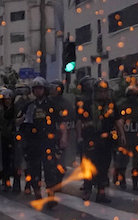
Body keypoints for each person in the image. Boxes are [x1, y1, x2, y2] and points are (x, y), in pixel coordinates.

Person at [17, 76, 67, 206]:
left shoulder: (52, 105)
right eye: (35, 89)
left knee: (50, 169)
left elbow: (61, 123)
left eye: (40, 88)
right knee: (34, 169)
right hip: (33, 143)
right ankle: (37, 192)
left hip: (48, 142)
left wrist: (63, 137)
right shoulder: (29, 106)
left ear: (44, 89)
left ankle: (51, 195)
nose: (38, 91)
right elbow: (18, 123)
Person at [77, 78, 124, 202]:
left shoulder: (111, 104)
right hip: (90, 139)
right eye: (100, 91)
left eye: (105, 91)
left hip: (107, 140)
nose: (103, 94)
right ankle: (87, 190)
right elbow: (80, 121)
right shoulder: (87, 104)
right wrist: (80, 137)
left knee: (104, 166)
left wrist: (122, 135)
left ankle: (101, 192)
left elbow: (118, 120)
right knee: (89, 165)